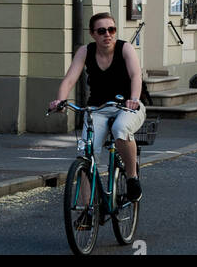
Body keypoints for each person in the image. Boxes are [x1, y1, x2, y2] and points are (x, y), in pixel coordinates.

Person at [48, 12, 146, 201]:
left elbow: (136, 75)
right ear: (93, 34)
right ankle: (87, 209)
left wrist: (133, 98)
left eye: (111, 30)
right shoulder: (85, 51)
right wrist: (60, 100)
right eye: (101, 31)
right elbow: (69, 80)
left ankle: (132, 177)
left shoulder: (125, 48)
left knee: (120, 129)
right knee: (87, 154)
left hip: (127, 107)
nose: (107, 34)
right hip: (97, 110)